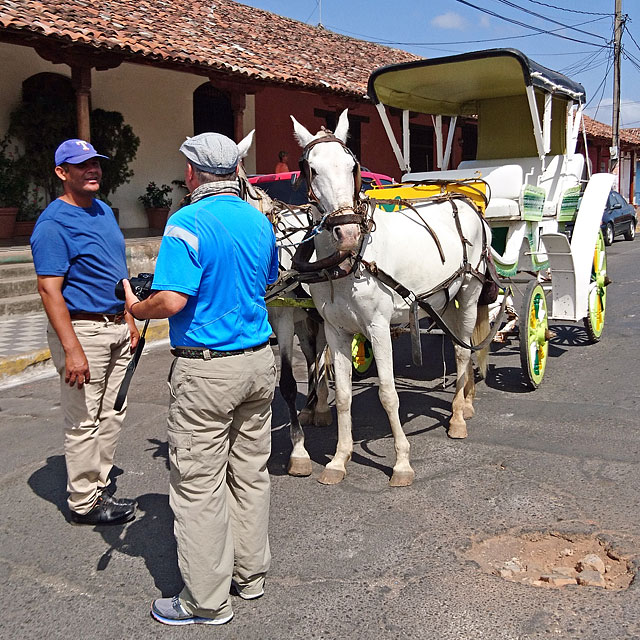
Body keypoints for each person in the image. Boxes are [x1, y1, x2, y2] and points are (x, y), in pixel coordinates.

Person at [122, 132, 279, 626]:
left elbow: (170, 301)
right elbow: (269, 280)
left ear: (192, 172)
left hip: (207, 369)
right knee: (250, 474)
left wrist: (135, 305)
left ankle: (206, 602)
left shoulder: (184, 222)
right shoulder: (258, 220)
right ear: (235, 171)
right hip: (258, 361)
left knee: (198, 485)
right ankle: (250, 577)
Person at [30, 139, 139, 525]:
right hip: (82, 329)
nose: (92, 171)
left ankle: (98, 482)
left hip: (115, 324)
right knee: (83, 419)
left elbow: (115, 267)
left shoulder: (104, 211)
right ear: (62, 173)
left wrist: (128, 315)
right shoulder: (53, 224)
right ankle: (83, 502)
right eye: (81, 166)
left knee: (113, 413)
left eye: (95, 164)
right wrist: (71, 348)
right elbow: (49, 289)